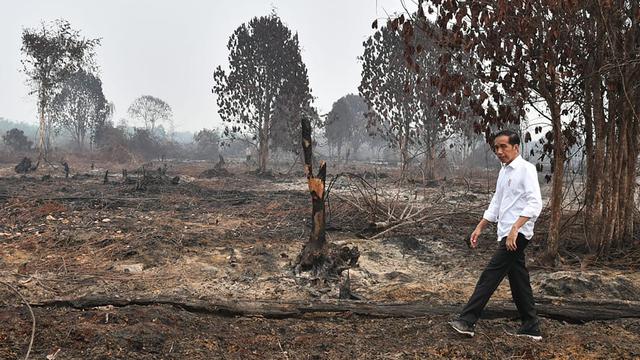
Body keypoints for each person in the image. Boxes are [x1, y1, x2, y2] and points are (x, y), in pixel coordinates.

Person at [449, 130, 543, 340]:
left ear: (516, 147)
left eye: (503, 147)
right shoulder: (504, 171)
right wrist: (480, 227)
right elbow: (497, 204)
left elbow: (535, 203)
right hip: (505, 233)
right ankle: (531, 325)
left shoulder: (526, 169)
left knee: (490, 275)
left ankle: (467, 321)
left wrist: (515, 228)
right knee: (518, 279)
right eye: (496, 148)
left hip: (517, 234)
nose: (499, 151)